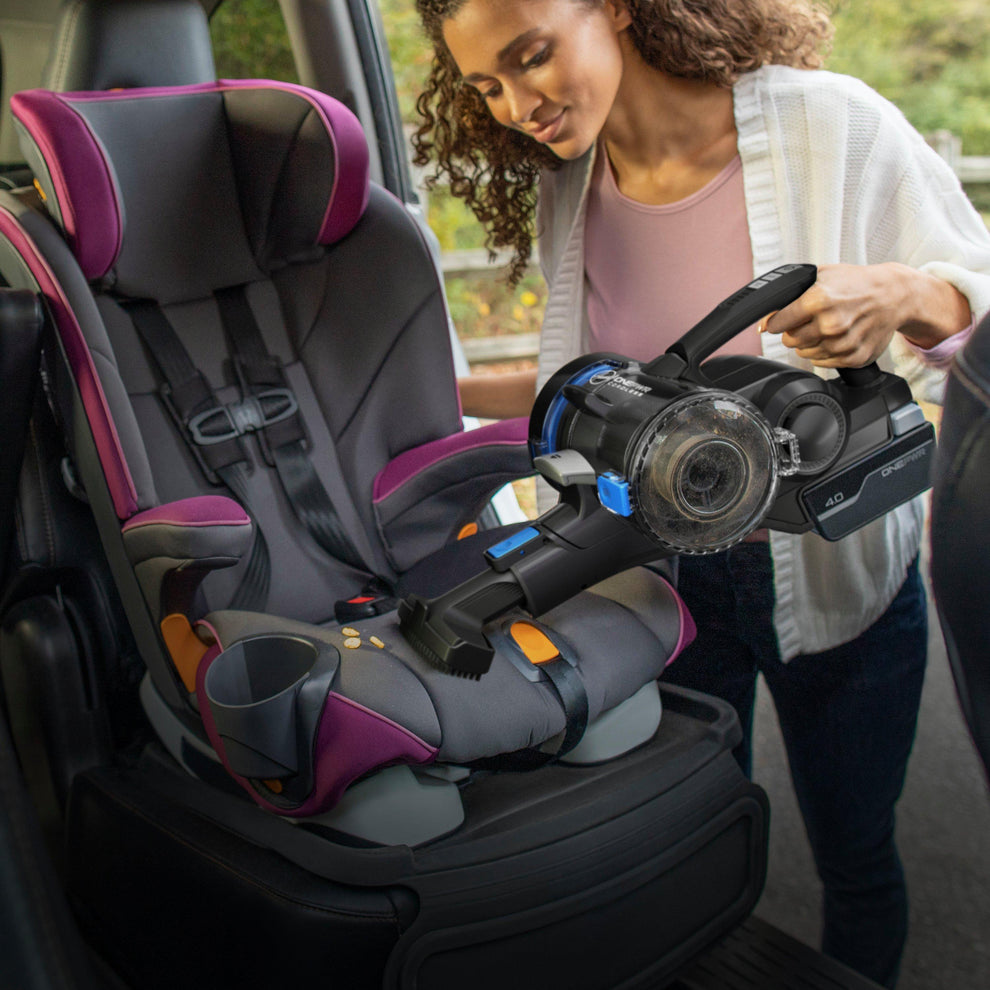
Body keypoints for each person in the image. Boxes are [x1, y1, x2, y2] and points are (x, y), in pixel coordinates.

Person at [411, 0, 990, 985]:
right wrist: (422, 390)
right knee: (688, 845)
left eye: (531, 56)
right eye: (487, 88)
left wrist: (897, 289)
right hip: (663, 581)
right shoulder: (571, 184)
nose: (519, 105)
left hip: (841, 582)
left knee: (856, 852)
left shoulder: (832, 124)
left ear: (619, 9)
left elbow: (974, 303)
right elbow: (607, 377)